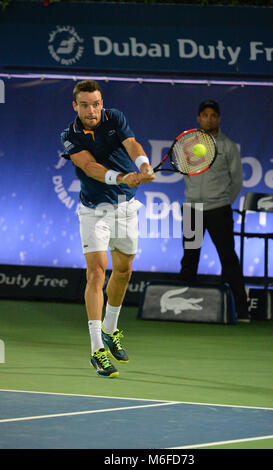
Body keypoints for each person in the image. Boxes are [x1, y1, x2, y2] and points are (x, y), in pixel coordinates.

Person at [61, 80, 155, 378]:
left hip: (126, 209)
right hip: (94, 211)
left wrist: (143, 165)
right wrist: (121, 177)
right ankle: (96, 350)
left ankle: (110, 329)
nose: (92, 110)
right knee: (97, 272)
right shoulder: (70, 135)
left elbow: (132, 144)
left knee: (124, 271)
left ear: (102, 103)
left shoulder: (114, 117)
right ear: (75, 106)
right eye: (85, 105)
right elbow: (89, 167)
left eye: (96, 103)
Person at [179, 99, 250, 322]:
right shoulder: (188, 143)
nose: (209, 119)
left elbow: (236, 180)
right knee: (189, 259)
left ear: (218, 118)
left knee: (228, 259)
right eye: (204, 115)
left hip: (219, 210)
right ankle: (179, 310)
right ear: (198, 118)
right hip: (193, 210)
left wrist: (222, 200)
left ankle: (242, 311)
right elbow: (185, 171)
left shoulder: (228, 146)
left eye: (213, 115)